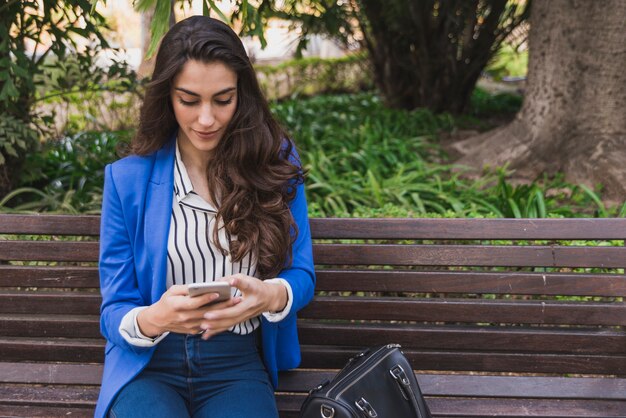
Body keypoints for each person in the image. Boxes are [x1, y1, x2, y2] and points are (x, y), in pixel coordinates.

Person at [95, 15, 315, 418]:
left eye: (223, 99)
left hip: (238, 364)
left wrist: (270, 294)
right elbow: (114, 310)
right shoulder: (127, 179)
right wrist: (152, 318)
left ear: (242, 95)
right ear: (167, 96)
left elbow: (302, 275)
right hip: (150, 366)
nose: (207, 119)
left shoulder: (274, 164)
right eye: (189, 100)